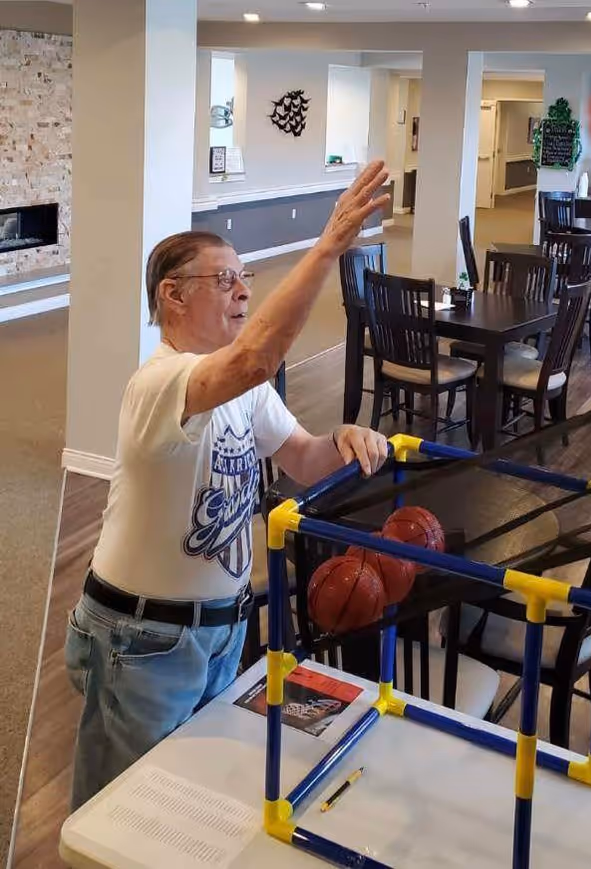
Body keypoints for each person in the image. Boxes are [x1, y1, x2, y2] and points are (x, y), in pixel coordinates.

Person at [65, 161, 391, 809]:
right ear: (172, 296)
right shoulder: (161, 382)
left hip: (222, 632)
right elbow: (255, 357)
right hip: (141, 641)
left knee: (183, 799)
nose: (242, 290)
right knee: (122, 814)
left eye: (245, 277)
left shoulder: (246, 393)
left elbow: (304, 458)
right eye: (225, 279)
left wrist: (347, 443)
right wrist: (326, 247)